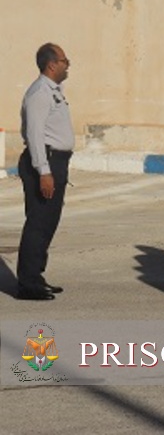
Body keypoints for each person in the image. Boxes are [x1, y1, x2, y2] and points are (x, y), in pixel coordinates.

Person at [16, 43, 74, 300]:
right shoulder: (40, 92)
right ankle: (28, 284)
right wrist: (44, 171)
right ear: (52, 65)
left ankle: (36, 277)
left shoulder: (54, 91)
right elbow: (35, 135)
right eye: (64, 60)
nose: (67, 64)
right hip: (45, 162)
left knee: (47, 222)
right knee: (38, 223)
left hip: (55, 162)